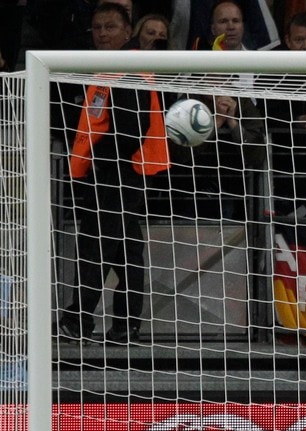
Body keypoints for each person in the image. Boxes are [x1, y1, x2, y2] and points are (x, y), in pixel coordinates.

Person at [59, 2, 171, 343]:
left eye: (110, 27)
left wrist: (98, 159)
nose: (102, 33)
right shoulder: (111, 68)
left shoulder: (127, 69)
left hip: (118, 173)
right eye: (97, 27)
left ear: (128, 32)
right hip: (123, 173)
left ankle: (77, 320)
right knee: (126, 250)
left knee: (96, 245)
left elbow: (130, 130)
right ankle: (125, 325)